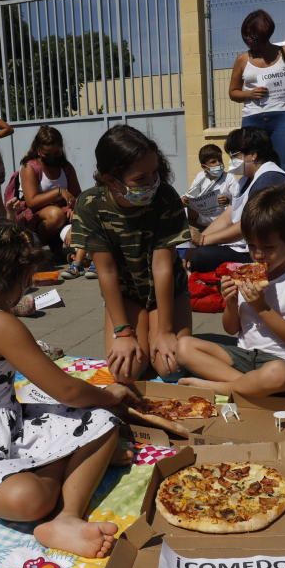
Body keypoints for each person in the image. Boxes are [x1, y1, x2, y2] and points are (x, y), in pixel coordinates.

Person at [0, 217, 134, 557]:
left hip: (0, 427)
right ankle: (68, 478)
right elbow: (67, 390)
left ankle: (66, 517)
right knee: (31, 499)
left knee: (102, 426)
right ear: (15, 277)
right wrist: (108, 395)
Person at [177, 183, 285, 398]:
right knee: (183, 346)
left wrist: (262, 307)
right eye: (252, 246)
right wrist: (229, 302)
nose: (258, 255)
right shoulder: (247, 273)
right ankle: (246, 386)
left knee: (278, 374)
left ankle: (224, 388)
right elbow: (232, 329)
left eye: (268, 248)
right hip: (245, 356)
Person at [70, 124, 192, 383]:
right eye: (140, 179)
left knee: (169, 366)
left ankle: (156, 331)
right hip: (127, 294)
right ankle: (141, 332)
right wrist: (123, 332)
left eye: (154, 173)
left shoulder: (165, 198)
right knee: (125, 371)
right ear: (110, 179)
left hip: (166, 293)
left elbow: (163, 266)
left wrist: (165, 330)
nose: (152, 183)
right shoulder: (90, 205)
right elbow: (107, 270)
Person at [189, 127, 285, 272]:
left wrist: (204, 240)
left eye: (234, 155)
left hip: (267, 253)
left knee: (201, 258)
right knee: (198, 252)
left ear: (253, 155)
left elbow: (250, 223)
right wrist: (200, 239)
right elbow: (229, 215)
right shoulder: (246, 179)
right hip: (250, 247)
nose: (231, 161)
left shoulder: (270, 178)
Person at [228, 9, 285, 175]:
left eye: (253, 37)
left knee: (283, 168)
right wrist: (249, 94)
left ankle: (282, 201)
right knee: (252, 168)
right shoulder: (242, 59)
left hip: (284, 118)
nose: (248, 41)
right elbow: (233, 92)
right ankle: (255, 201)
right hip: (253, 118)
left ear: (266, 34)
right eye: (245, 36)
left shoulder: (284, 53)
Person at [8, 126, 84, 263]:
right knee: (56, 214)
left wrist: (74, 209)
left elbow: (77, 196)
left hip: (63, 216)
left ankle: (67, 251)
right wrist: (59, 191)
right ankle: (36, 246)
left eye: (56, 153)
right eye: (47, 154)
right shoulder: (30, 167)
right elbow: (31, 201)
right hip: (34, 218)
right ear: (38, 150)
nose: (52, 158)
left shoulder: (66, 168)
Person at [182, 143, 238, 231]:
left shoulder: (229, 177)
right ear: (204, 167)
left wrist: (228, 200)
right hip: (203, 220)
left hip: (221, 220)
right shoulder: (200, 176)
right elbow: (191, 194)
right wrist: (185, 200)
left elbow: (237, 200)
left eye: (220, 160)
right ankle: (200, 230)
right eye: (213, 162)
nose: (218, 163)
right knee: (189, 207)